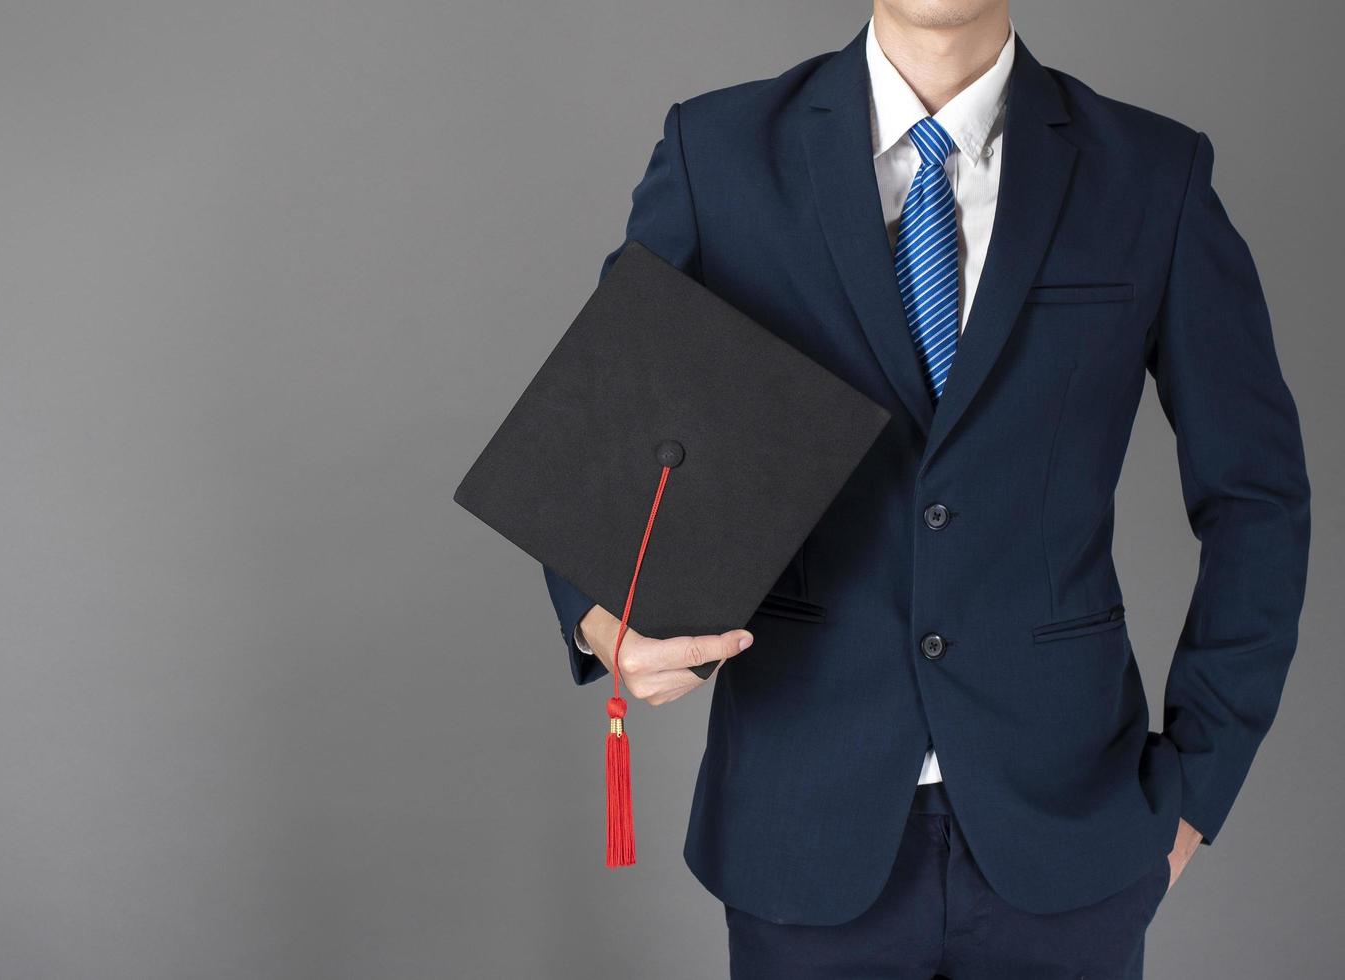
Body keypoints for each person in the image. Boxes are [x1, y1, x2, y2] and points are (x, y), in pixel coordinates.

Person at [541, 2, 1311, 976]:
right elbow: (598, 430)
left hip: (1068, 828)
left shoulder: (1151, 174)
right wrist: (600, 619)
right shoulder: (718, 150)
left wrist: (1198, 781)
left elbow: (1256, 496)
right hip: (801, 826)